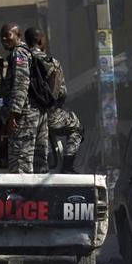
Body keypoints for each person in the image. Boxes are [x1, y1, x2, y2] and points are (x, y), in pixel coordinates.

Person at [26, 27, 82, 173]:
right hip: (49, 115)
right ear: (40, 40)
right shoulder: (52, 62)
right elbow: (61, 93)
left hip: (24, 115)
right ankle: (67, 165)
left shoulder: (19, 60)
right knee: (76, 127)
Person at [0, 23, 45, 174]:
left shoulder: (19, 53)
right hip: (31, 112)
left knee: (20, 163)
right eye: (2, 36)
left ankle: (21, 196)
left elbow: (21, 82)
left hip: (23, 115)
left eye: (8, 35)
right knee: (36, 164)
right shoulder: (24, 52)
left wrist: (14, 113)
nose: (4, 39)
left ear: (18, 36)